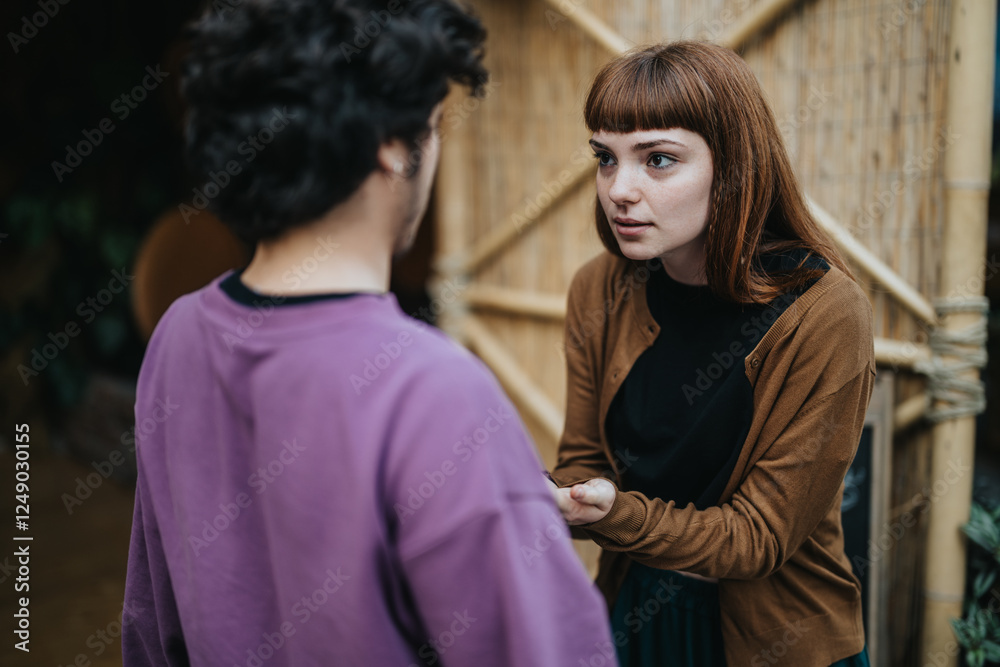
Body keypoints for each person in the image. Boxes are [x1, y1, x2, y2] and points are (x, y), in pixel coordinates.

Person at [122, 1, 614, 665]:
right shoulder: (433, 393)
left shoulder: (177, 339)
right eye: (435, 127)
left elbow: (152, 627)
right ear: (390, 144)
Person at [549, 41, 875, 667]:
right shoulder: (600, 288)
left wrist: (614, 515)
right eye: (605, 158)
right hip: (636, 605)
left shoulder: (824, 312)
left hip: (777, 636)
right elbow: (584, 460)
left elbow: (758, 537)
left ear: (734, 166)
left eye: (659, 159)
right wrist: (549, 493)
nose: (619, 190)